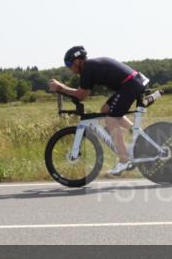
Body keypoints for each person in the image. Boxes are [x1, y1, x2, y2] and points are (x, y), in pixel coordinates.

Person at [48, 46, 148, 176]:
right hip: (132, 82)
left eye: (69, 64)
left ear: (78, 61)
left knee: (110, 119)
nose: (69, 68)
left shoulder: (88, 69)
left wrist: (60, 88)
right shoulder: (90, 67)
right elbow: (84, 93)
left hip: (130, 84)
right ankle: (140, 137)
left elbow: (81, 95)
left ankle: (124, 160)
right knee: (105, 110)